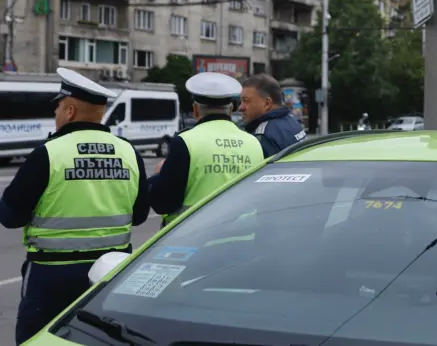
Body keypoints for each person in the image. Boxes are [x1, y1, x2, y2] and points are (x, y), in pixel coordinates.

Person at [0, 68, 150, 345]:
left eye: (58, 107)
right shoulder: (129, 152)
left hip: (51, 276)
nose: (56, 114)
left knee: (40, 340)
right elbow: (140, 216)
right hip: (110, 274)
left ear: (69, 111)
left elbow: (10, 217)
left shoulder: (48, 153)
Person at [150, 72, 264, 228]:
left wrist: (157, 176)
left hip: (196, 241)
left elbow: (164, 204)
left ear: (196, 110)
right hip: (242, 241)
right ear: (230, 110)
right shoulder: (254, 143)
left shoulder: (185, 142)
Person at [239, 74, 306, 157]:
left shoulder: (263, 136)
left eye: (246, 101)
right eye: (241, 101)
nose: (240, 107)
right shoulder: (292, 121)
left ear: (267, 103)